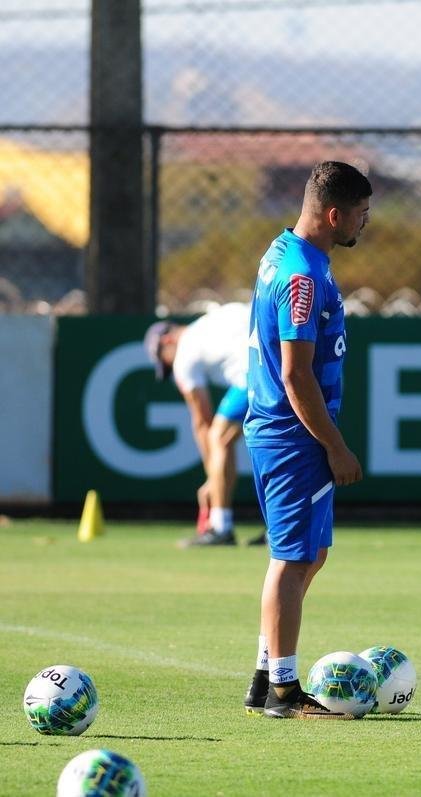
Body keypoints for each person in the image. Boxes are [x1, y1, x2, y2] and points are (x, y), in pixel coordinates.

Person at [240, 161, 371, 719]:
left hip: (288, 433)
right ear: (334, 214)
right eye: (361, 214)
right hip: (293, 436)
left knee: (311, 555)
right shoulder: (302, 276)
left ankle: (264, 675)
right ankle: (283, 691)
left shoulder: (288, 253)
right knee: (293, 561)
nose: (365, 223)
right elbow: (296, 375)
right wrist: (335, 446)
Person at [143, 303, 260, 547]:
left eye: (165, 362)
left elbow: (201, 422)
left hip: (255, 375)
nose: (170, 367)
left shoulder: (183, 355)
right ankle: (283, 529)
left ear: (167, 341)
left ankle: (220, 526)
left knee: (218, 437)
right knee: (277, 445)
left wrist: (212, 479)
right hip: (287, 362)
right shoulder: (211, 321)